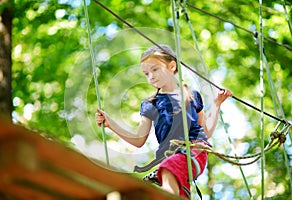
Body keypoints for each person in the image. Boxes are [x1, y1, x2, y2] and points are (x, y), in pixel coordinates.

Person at [95, 44, 232, 199]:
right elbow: (139, 139)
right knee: (177, 188)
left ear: (172, 66)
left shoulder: (191, 96)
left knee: (168, 169)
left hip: (193, 151)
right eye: (146, 73)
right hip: (168, 157)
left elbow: (205, 131)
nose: (151, 77)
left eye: (155, 69)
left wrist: (216, 105)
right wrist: (110, 124)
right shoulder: (150, 104)